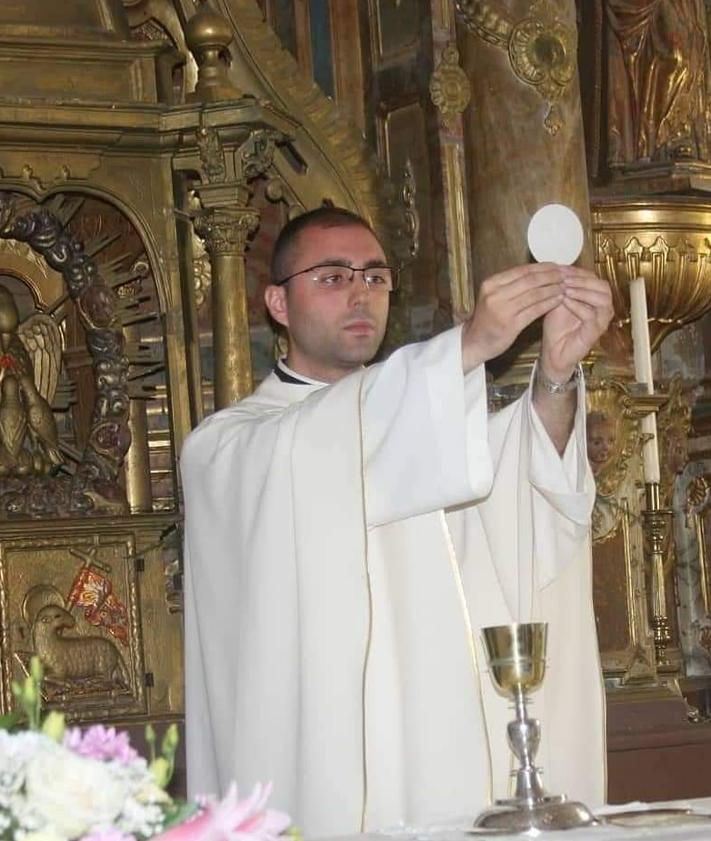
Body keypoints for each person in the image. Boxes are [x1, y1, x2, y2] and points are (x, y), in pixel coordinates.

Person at [182, 207, 613, 837]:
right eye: (331, 277)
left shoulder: (429, 427)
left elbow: (526, 507)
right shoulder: (226, 450)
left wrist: (553, 375)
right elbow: (329, 442)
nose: (361, 293)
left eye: (376, 277)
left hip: (456, 764)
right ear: (277, 301)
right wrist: (467, 346)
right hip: (335, 779)